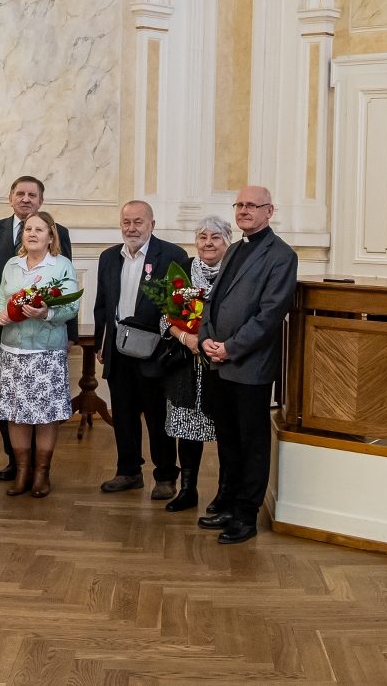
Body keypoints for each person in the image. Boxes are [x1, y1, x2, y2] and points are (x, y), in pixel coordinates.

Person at [201, 186, 296, 544]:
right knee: (227, 437)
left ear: (269, 210)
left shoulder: (282, 255)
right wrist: (208, 337)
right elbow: (213, 300)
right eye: (239, 204)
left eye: (251, 205)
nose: (243, 210)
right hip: (218, 361)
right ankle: (228, 502)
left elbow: (270, 315)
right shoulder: (235, 249)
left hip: (249, 365)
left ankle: (246, 515)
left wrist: (230, 348)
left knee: (252, 441)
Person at [0, 176, 75, 482]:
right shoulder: (0, 246)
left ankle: (41, 473)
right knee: (12, 410)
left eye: (33, 195)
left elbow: (70, 301)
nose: (32, 233)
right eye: (20, 193)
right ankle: (18, 468)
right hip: (10, 345)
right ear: (10, 197)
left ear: (49, 234)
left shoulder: (61, 261)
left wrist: (52, 318)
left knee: (44, 414)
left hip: (46, 349)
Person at [93, 200, 188, 496]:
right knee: (123, 414)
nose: (131, 228)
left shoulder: (173, 256)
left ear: (152, 225)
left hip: (155, 351)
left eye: (138, 222)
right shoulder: (109, 257)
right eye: (126, 222)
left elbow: (181, 308)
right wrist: (101, 343)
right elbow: (102, 306)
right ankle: (129, 472)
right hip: (118, 349)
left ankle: (165, 476)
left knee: (157, 415)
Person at [158, 217, 234, 516]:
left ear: (228, 241)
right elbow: (165, 317)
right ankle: (188, 490)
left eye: (216, 237)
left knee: (226, 429)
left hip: (223, 363)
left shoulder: (235, 272)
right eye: (203, 237)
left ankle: (224, 493)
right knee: (187, 427)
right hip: (187, 364)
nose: (208, 243)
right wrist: (187, 337)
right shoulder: (182, 271)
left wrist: (221, 345)